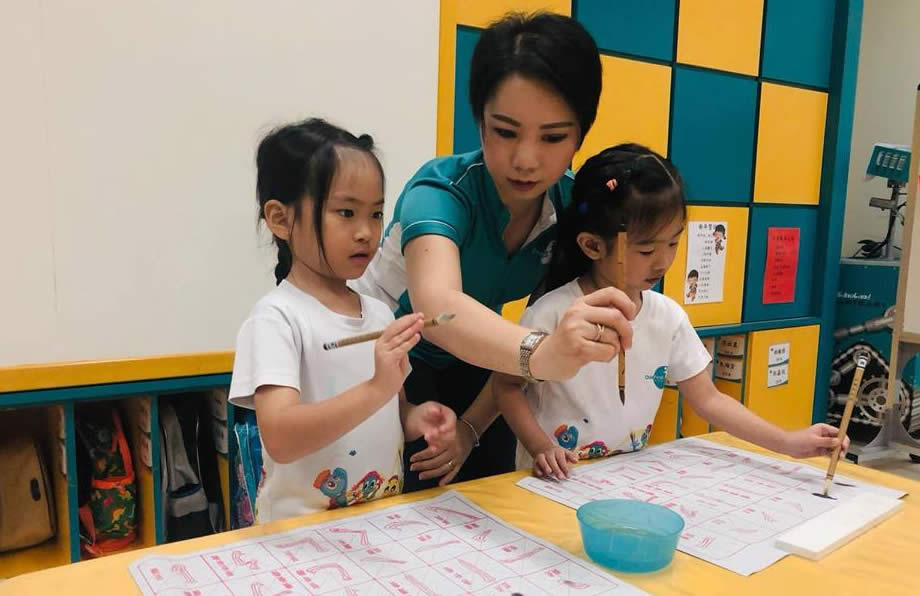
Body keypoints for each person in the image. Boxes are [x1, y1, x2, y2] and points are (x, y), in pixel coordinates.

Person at [352, 12, 635, 491]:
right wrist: (541, 354)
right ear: (480, 121)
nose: (526, 159)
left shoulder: (571, 207)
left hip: (483, 358)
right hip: (383, 364)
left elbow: (534, 324)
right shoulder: (441, 190)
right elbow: (437, 310)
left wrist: (471, 428)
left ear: (581, 135)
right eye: (505, 131)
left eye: (553, 137)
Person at [493, 143, 849, 480]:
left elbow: (708, 399)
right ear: (592, 245)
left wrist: (787, 442)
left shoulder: (668, 317)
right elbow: (506, 387)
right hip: (554, 481)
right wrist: (541, 447)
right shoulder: (554, 312)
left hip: (623, 482)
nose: (663, 262)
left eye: (674, 243)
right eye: (647, 250)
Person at [228, 119, 456, 522]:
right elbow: (280, 437)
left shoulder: (380, 313)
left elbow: (391, 410)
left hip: (376, 521)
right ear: (281, 219)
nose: (366, 232)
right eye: (346, 212)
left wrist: (417, 418)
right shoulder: (276, 319)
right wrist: (376, 388)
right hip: (300, 532)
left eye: (376, 213)